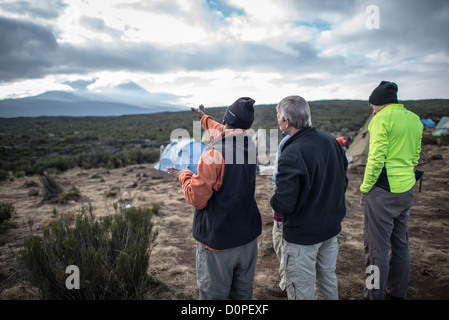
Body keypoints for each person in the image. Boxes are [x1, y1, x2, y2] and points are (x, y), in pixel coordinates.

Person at [167, 97, 262, 300]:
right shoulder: (250, 144)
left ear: (227, 118)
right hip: (248, 238)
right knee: (243, 295)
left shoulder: (213, 154)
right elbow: (224, 132)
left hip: (219, 241)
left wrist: (183, 176)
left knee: (213, 296)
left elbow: (197, 198)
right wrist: (204, 118)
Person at [270, 95, 348, 300]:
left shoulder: (292, 152)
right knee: (328, 279)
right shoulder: (331, 141)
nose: (277, 120)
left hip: (303, 236)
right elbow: (343, 182)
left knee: (300, 288)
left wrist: (273, 201)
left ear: (286, 122)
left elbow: (284, 203)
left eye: (278, 116)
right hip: (330, 229)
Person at [361, 81, 423, 300]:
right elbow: (416, 154)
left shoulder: (381, 119)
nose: (373, 110)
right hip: (406, 188)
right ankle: (397, 292)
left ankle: (373, 294)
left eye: (373, 106)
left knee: (375, 249)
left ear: (378, 103)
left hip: (381, 192)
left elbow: (375, 158)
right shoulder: (414, 119)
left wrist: (366, 186)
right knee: (401, 243)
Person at [267, 132, 290, 298]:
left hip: (284, 203)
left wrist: (276, 201)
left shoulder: (287, 142)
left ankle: (285, 284)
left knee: (281, 242)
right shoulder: (325, 140)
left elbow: (280, 175)